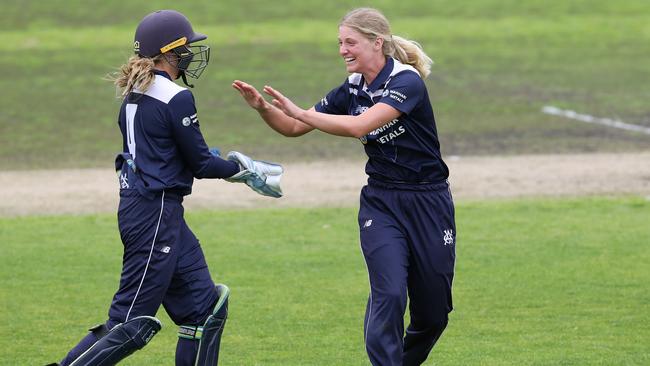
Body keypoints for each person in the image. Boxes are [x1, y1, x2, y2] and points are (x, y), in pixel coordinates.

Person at [49, 9, 283, 366]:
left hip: (153, 211)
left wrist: (215, 161)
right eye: (187, 47)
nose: (192, 53)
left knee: (205, 311)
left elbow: (170, 153)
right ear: (171, 52)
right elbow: (201, 163)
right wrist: (242, 169)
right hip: (154, 214)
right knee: (129, 323)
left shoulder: (134, 92)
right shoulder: (175, 96)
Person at [232, 7, 456, 366]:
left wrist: (301, 112)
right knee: (390, 293)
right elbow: (292, 129)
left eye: (350, 42)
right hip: (382, 203)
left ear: (376, 43)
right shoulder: (352, 88)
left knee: (433, 314)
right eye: (340, 42)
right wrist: (263, 108)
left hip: (429, 201)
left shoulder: (406, 81)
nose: (342, 50)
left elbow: (359, 127)